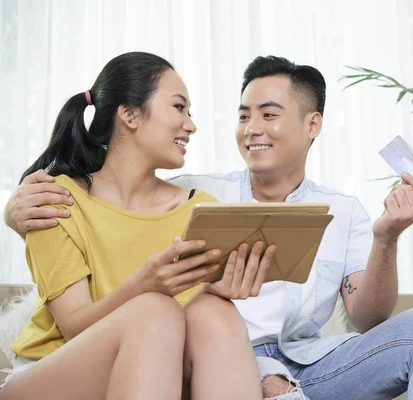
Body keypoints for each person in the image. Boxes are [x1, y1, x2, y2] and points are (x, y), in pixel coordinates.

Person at [5, 55, 413, 399]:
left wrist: (387, 236)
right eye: (243, 115)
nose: (249, 128)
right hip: (103, 360)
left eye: (268, 115)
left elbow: (368, 317)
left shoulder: (202, 205)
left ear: (312, 125)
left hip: (301, 357)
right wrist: (14, 213)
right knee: (164, 313)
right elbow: (116, 199)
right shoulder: (67, 197)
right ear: (128, 115)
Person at [0, 51, 276, 400]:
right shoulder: (53, 200)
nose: (191, 125)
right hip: (55, 374)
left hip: (155, 372)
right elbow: (74, 326)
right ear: (129, 114)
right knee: (154, 311)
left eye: (190, 113)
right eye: (179, 108)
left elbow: (193, 332)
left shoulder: (203, 209)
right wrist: (145, 285)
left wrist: (217, 291)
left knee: (214, 312)